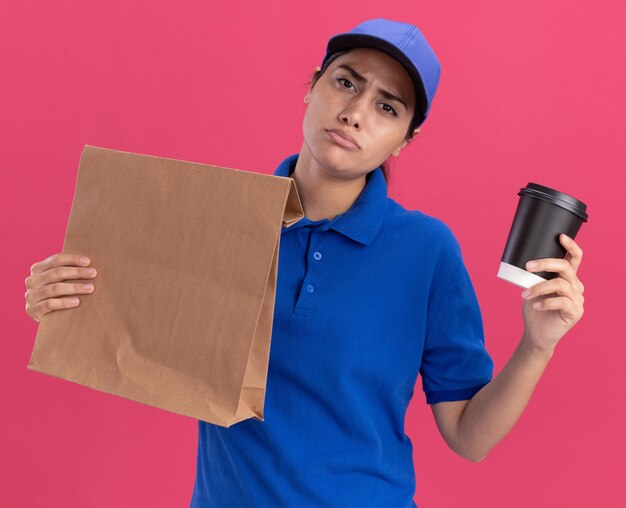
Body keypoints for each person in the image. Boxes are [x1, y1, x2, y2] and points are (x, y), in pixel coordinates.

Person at [24, 18, 586, 508]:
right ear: (312, 87)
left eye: (386, 107)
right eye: (346, 82)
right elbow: (130, 322)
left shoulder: (427, 252)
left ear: (403, 142)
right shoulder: (220, 221)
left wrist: (539, 343)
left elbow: (470, 437)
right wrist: (60, 301)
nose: (355, 112)